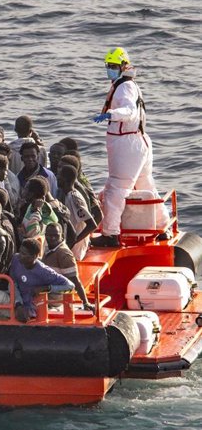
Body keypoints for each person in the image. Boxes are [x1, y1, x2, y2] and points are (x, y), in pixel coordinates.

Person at [91, 47, 169, 247]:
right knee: (146, 185)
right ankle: (162, 227)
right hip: (137, 142)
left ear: (123, 65)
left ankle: (110, 234)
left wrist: (111, 114)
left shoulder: (125, 87)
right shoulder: (126, 84)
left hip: (127, 143)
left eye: (114, 66)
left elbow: (129, 111)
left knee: (116, 189)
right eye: (108, 66)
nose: (110, 69)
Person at [10, 238, 74, 323]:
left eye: (24, 254)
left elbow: (70, 286)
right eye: (20, 252)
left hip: (30, 310)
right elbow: (12, 282)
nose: (20, 255)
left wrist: (47, 288)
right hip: (15, 301)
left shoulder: (44, 272)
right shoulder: (16, 259)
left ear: (34, 256)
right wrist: (18, 303)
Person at [43, 223, 94, 313]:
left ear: (62, 236)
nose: (52, 238)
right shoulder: (48, 249)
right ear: (45, 235)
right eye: (49, 235)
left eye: (56, 235)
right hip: (47, 293)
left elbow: (75, 280)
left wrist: (85, 302)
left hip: (54, 297)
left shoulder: (64, 253)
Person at [58, 164, 97, 260]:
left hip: (75, 250)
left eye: (59, 176)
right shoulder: (67, 195)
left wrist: (74, 241)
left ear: (65, 179)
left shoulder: (74, 199)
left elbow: (92, 225)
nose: (57, 178)